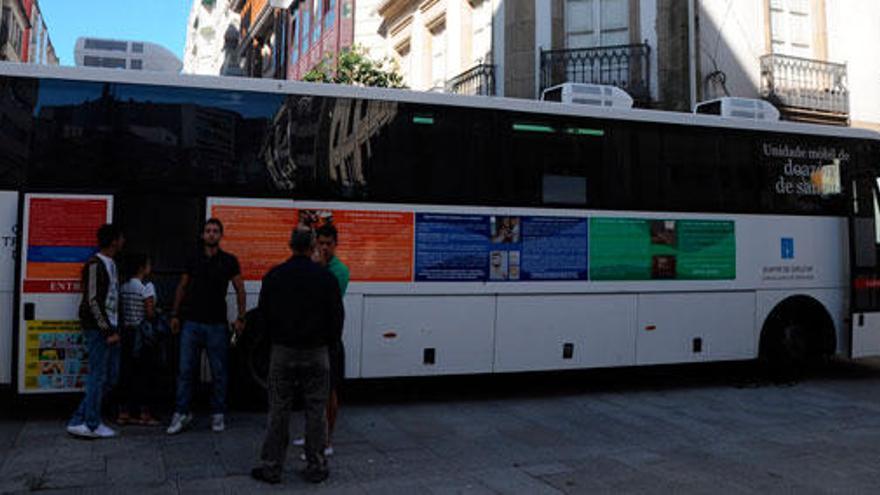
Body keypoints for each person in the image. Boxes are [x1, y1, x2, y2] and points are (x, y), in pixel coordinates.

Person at [251, 228, 343, 485]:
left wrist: (272, 346)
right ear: (313, 246)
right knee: (316, 410)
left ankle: (272, 467)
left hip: (283, 352)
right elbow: (337, 319)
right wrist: (329, 345)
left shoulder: (274, 276)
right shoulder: (326, 279)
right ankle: (316, 466)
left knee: (279, 409)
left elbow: (263, 318)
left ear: (290, 245)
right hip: (316, 352)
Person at [167, 218, 246, 435]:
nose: (211, 234)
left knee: (219, 372)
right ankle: (181, 412)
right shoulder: (193, 258)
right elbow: (182, 287)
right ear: (202, 235)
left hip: (217, 325)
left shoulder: (230, 261)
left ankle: (218, 414)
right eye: (208, 231)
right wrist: (175, 314)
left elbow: (240, 289)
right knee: (185, 371)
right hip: (191, 322)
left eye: (215, 231)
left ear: (221, 236)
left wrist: (241, 318)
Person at [293, 224, 349, 456]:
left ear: (336, 245)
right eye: (320, 243)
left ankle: (327, 441)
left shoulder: (340, 270)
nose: (324, 247)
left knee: (329, 392)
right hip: (313, 340)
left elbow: (326, 297)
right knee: (312, 392)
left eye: (328, 243)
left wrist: (319, 267)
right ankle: (312, 434)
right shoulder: (315, 266)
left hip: (329, 341)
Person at [67, 224, 124, 439]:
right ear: (113, 241)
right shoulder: (94, 265)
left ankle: (79, 419)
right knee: (98, 376)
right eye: (121, 238)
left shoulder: (112, 264)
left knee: (110, 377)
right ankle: (91, 424)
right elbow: (92, 301)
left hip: (111, 327)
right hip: (99, 329)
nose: (123, 241)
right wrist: (107, 330)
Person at [116, 253, 160, 426]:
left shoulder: (123, 287)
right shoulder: (146, 287)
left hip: (126, 334)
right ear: (142, 267)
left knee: (127, 373)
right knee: (144, 374)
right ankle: (144, 413)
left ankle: (124, 412)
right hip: (141, 336)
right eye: (149, 264)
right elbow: (149, 313)